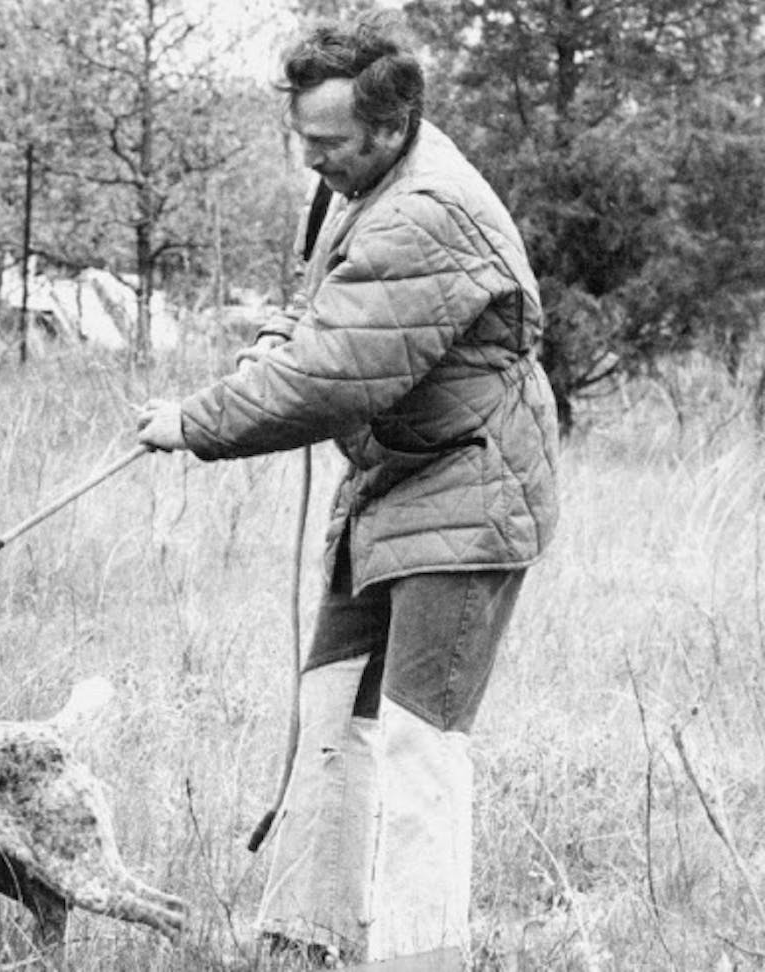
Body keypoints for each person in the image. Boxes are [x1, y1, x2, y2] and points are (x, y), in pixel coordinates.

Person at [136, 11, 559, 970]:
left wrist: (198, 422)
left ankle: (421, 957)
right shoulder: (355, 182)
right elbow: (313, 312)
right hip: (388, 487)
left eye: (327, 144)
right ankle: (308, 940)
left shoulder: (427, 212)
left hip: (469, 498)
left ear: (392, 122)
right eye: (304, 141)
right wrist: (255, 358)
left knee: (419, 743)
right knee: (334, 712)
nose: (312, 163)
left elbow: (333, 378)